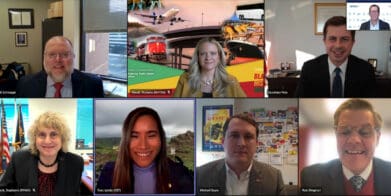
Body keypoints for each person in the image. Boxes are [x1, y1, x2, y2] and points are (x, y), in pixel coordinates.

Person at [301, 99, 391, 195]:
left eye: (365, 132)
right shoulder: (312, 178)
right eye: (345, 132)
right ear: (336, 135)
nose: (354, 140)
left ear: (377, 138)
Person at [96, 107, 193, 194]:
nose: (143, 146)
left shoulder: (180, 174)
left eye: (151, 136)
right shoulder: (108, 172)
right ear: (125, 140)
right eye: (134, 136)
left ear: (161, 139)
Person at [197, 113, 285, 195]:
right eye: (234, 136)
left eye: (248, 137)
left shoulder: (274, 178)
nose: (242, 143)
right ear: (223, 142)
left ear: (256, 144)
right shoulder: (199, 175)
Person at [0, 112, 84, 195]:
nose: (47, 141)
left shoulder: (76, 163)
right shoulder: (19, 159)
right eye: (42, 135)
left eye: (54, 134)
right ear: (34, 138)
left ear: (63, 139)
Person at [295, 16, 376, 98]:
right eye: (332, 39)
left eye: (344, 39)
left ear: (352, 43)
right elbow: (300, 103)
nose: (338, 45)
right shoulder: (309, 69)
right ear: (325, 41)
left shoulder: (366, 70)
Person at [16, 36, 104, 98]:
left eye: (65, 54)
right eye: (52, 55)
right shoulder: (25, 84)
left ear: (73, 57)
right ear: (44, 58)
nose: (58, 60)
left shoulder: (93, 85)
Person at [173, 37, 246, 97]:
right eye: (203, 54)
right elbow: (174, 109)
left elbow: (244, 108)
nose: (208, 57)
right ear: (198, 57)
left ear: (219, 57)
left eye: (213, 53)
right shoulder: (184, 79)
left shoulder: (231, 81)